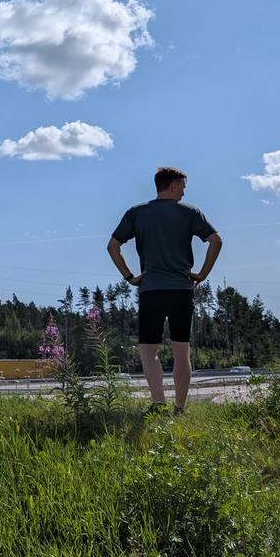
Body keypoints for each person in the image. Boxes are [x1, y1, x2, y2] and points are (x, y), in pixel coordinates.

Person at [107, 167, 222, 415]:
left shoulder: (137, 213)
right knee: (182, 352)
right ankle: (179, 408)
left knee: (148, 352)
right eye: (181, 186)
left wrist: (130, 277)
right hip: (181, 290)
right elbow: (216, 240)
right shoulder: (190, 212)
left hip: (151, 291)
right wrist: (202, 274)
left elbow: (113, 247)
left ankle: (158, 403)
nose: (183, 191)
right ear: (171, 186)